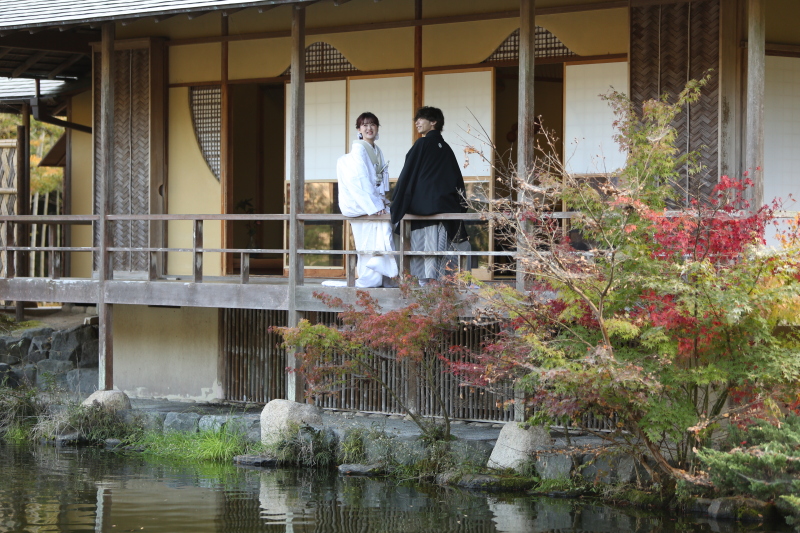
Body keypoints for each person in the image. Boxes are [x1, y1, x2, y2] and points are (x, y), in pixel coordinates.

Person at [391, 106, 467, 283]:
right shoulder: (446, 148)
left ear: (434, 122)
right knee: (442, 259)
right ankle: (440, 296)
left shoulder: (422, 143)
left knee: (425, 259)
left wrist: (397, 203)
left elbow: (407, 175)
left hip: (423, 212)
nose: (417, 122)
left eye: (421, 118)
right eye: (416, 119)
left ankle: (426, 297)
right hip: (445, 212)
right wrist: (460, 206)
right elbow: (457, 180)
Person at [336, 112, 398, 288]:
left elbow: (379, 179)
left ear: (377, 128)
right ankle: (370, 276)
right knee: (367, 242)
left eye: (372, 124)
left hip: (373, 203)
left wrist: (381, 201)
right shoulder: (358, 150)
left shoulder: (376, 150)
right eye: (365, 125)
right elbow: (360, 180)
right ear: (359, 129)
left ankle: (383, 274)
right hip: (363, 205)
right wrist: (374, 205)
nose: (369, 128)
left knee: (381, 234)